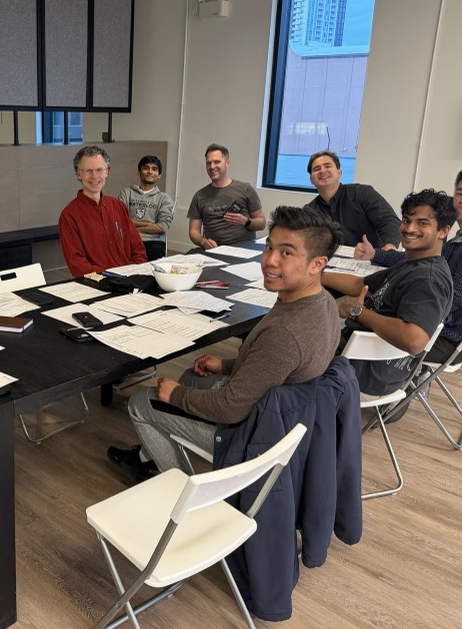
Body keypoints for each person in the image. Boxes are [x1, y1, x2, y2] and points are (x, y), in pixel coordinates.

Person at [108, 206, 342, 480]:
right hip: (281, 416)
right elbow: (276, 366)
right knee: (190, 376)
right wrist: (226, 364)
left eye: (286, 253)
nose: (270, 260)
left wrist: (176, 396)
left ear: (317, 263)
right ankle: (150, 453)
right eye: (269, 248)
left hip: (250, 434)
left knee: (140, 401)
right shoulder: (323, 302)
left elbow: (229, 408)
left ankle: (177, 487)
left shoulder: (284, 334)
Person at [354, 164, 462, 365]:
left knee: (347, 329)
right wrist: (374, 254)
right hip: (433, 326)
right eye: (459, 193)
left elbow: (455, 299)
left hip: (449, 337)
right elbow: (416, 259)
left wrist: (387, 303)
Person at [324, 189, 455, 396]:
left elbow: (414, 340)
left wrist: (357, 311)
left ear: (443, 231)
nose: (409, 228)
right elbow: (360, 285)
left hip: (363, 371)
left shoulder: (427, 279)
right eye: (406, 220)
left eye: (422, 223)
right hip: (362, 358)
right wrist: (313, 274)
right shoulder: (412, 263)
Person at [59, 145, 147, 277]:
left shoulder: (118, 206)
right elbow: (77, 264)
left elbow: (137, 248)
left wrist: (137, 273)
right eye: (88, 170)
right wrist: (110, 278)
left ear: (107, 172)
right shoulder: (69, 216)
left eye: (99, 170)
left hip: (130, 279)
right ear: (78, 174)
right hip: (99, 285)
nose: (94, 176)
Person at [304, 150, 400, 249]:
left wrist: (390, 247)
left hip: (372, 259)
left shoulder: (362, 193)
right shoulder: (309, 211)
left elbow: (388, 220)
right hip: (330, 261)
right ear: (311, 179)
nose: (322, 171)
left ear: (339, 172)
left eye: (327, 166)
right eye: (316, 169)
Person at [187, 143, 265, 249]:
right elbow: (193, 231)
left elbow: (262, 223)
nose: (212, 166)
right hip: (214, 251)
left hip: (243, 250)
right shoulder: (199, 196)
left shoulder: (245, 189)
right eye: (208, 163)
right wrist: (203, 241)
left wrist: (245, 221)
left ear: (227, 163)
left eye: (217, 162)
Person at [118, 154, 175, 261]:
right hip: (128, 239)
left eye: (154, 169)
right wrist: (150, 224)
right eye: (146, 168)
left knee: (154, 261)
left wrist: (132, 225)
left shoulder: (164, 198)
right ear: (139, 172)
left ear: (159, 175)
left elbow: (162, 227)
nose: (150, 172)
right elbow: (121, 220)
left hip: (153, 242)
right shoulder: (126, 193)